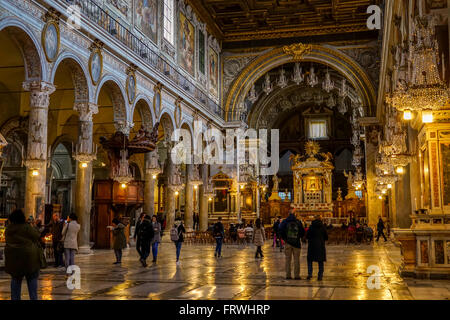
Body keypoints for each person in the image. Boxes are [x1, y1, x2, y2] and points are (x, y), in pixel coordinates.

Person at [5, 209, 41, 300]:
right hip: (29, 259)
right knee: (32, 279)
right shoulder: (26, 227)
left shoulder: (9, 229)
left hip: (14, 259)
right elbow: (37, 236)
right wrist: (32, 225)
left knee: (16, 280)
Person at [279, 208, 305, 280]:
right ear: (295, 214)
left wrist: (285, 239)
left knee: (288, 260)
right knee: (297, 260)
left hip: (288, 243)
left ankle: (288, 275)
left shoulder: (285, 221)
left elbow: (280, 230)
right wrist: (298, 237)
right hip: (296, 243)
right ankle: (297, 275)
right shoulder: (298, 222)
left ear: (288, 214)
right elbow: (302, 232)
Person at [306, 215, 328, 281]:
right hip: (320, 245)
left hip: (312, 245)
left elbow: (307, 236)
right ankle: (320, 276)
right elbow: (326, 237)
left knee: (310, 260)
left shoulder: (311, 227)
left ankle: (310, 274)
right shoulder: (323, 227)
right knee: (320, 260)